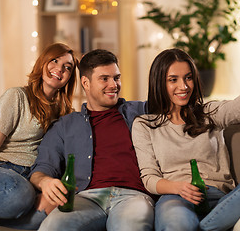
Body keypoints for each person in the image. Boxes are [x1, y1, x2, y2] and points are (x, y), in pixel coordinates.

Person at [131, 48, 240, 231]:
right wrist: (178, 187)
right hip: (177, 198)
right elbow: (149, 178)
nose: (184, 86)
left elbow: (239, 109)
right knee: (177, 223)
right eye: (173, 80)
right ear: (158, 83)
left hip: (219, 198)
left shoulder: (209, 113)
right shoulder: (145, 125)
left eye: (188, 77)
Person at [0, 43, 79, 229]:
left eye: (67, 67)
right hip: (2, 170)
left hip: (32, 177)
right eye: (54, 60)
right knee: (19, 194)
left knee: (51, 208)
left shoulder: (64, 112)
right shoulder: (17, 96)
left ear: (69, 78)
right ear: (43, 63)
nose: (59, 69)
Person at [29, 49, 154, 231]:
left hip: (133, 196)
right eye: (104, 79)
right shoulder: (65, 125)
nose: (113, 85)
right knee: (52, 227)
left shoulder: (140, 110)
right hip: (85, 198)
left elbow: (177, 109)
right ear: (85, 83)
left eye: (116, 78)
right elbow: (41, 168)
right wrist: (45, 182)